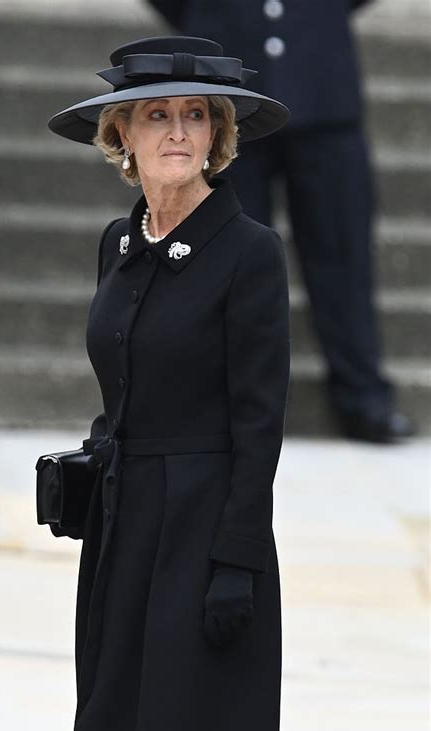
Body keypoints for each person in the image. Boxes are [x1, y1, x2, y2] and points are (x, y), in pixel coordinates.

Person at [45, 34, 329, 731]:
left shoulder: (248, 252)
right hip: (130, 534)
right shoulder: (119, 244)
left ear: (221, 137)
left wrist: (234, 566)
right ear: (120, 136)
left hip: (212, 534)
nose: (177, 131)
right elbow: (126, 386)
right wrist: (92, 462)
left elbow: (258, 429)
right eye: (157, 116)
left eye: (196, 116)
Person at [148, 0, 416, 445]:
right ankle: (224, 401)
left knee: (343, 252)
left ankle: (363, 397)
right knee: (223, 257)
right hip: (227, 79)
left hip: (322, 79)